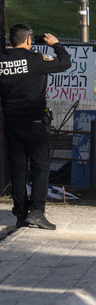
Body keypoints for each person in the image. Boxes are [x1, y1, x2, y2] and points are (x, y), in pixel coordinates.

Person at [0, 25, 71, 230]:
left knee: (18, 169)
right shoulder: (36, 59)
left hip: (11, 124)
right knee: (40, 168)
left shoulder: (2, 61)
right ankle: (37, 212)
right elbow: (65, 62)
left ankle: (21, 213)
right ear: (29, 40)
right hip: (34, 124)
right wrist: (56, 44)